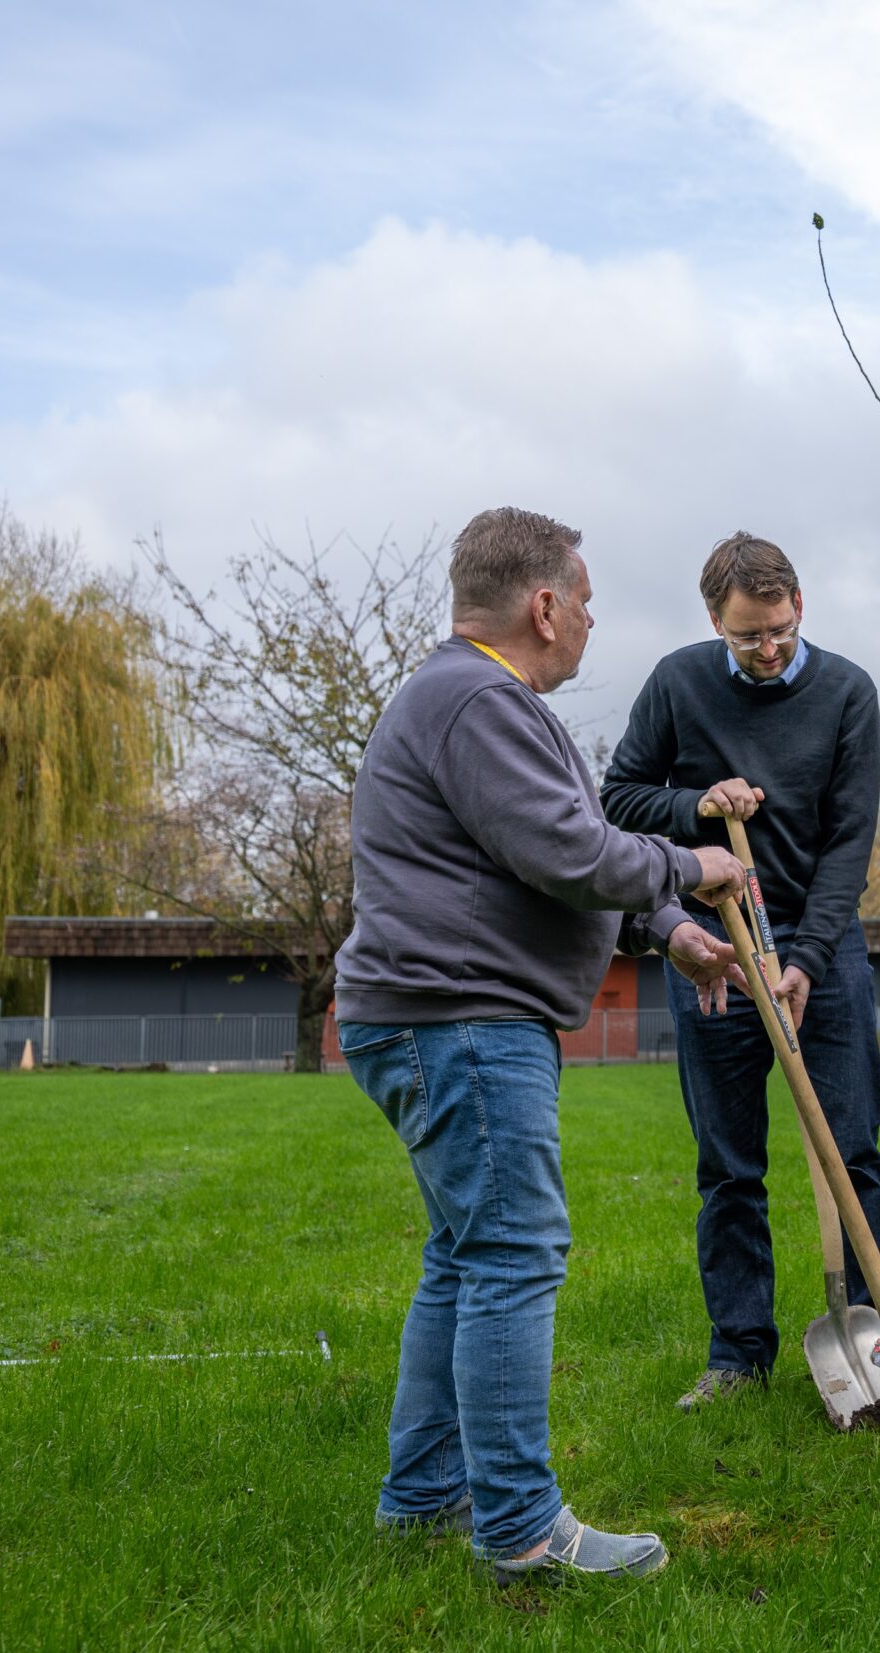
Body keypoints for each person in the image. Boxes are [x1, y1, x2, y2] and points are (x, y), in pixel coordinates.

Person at [334, 506, 749, 1582]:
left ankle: (423, 1498)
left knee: (462, 1260)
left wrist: (671, 931)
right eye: (588, 601)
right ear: (544, 604)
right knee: (513, 1257)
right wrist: (692, 867)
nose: (593, 621)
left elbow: (550, 859)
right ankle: (519, 1526)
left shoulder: (472, 699)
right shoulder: (477, 699)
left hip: (433, 1016)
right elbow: (570, 851)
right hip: (461, 1021)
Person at [599, 532, 880, 1409]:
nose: (767, 651)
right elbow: (618, 797)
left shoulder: (847, 691)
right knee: (729, 1163)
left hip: (822, 940)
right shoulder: (676, 682)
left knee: (854, 1151)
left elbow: (850, 842)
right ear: (714, 623)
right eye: (746, 637)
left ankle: (876, 1341)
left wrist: (805, 959)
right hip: (715, 940)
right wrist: (696, 802)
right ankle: (737, 1354)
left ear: (798, 604)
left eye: (778, 629)